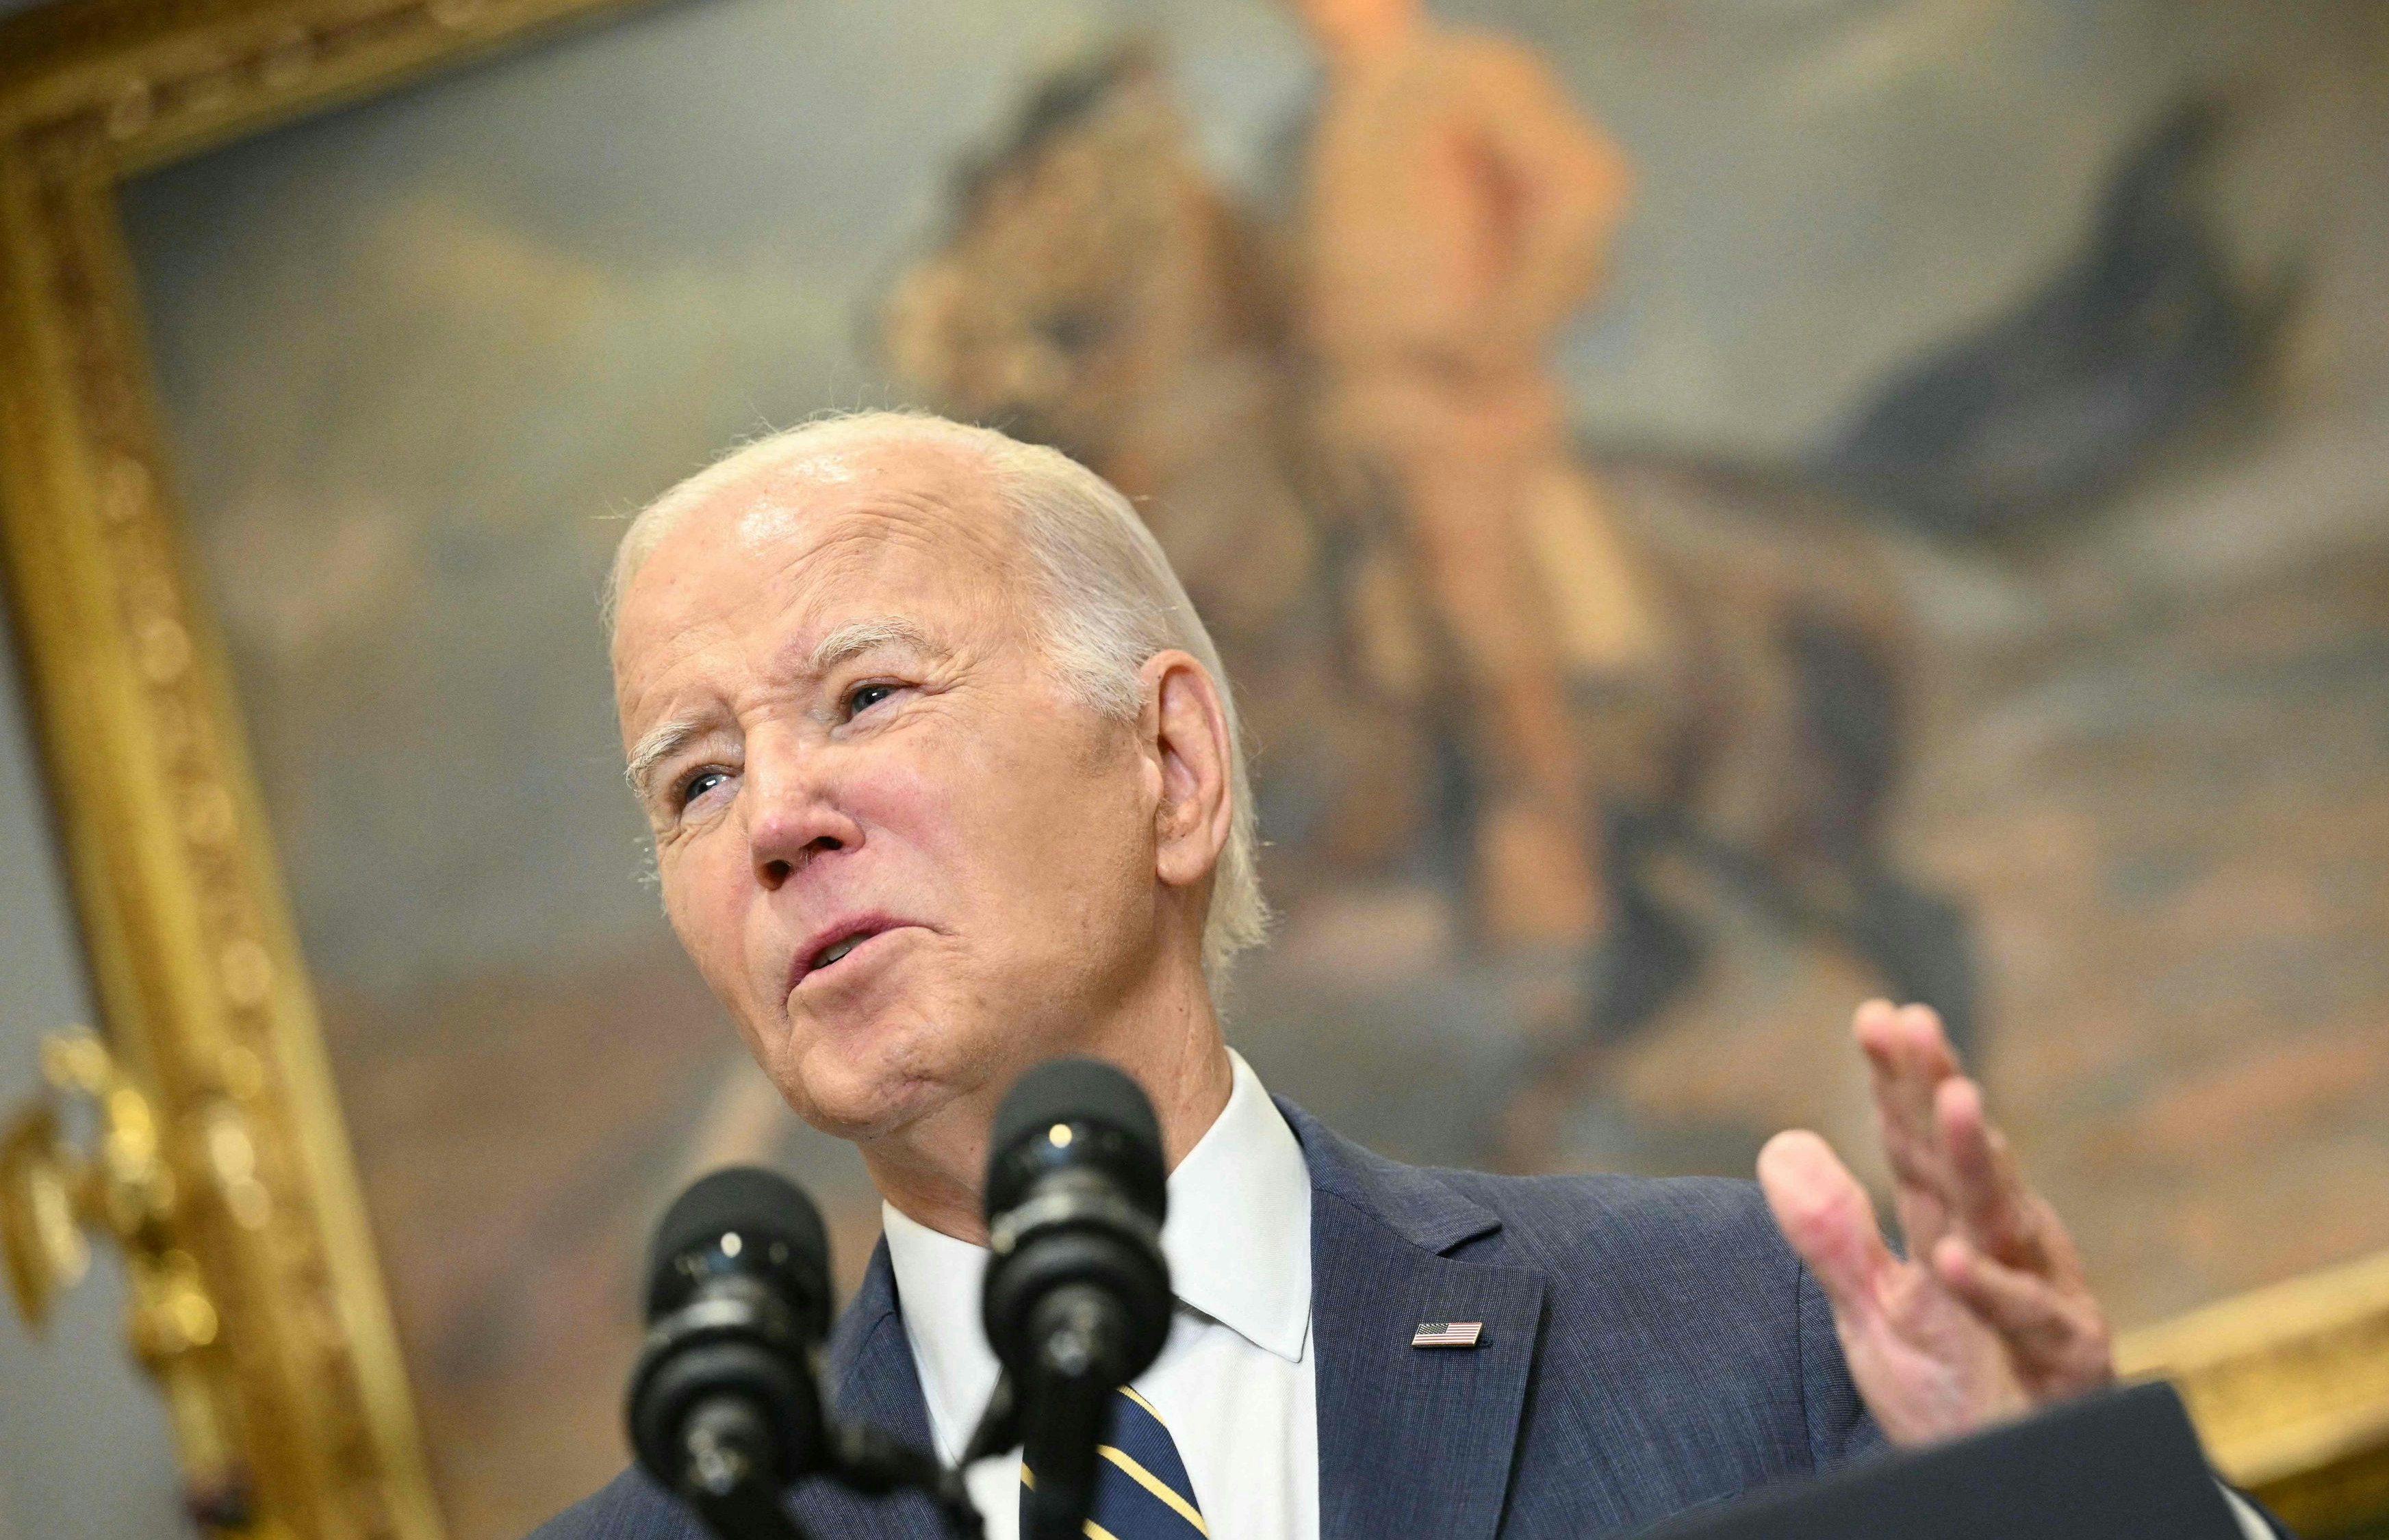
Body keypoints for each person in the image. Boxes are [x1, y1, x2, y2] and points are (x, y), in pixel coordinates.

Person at [535, 412, 2277, 1540]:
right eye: (693, 779)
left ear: (1171, 765)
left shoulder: (1736, 1331)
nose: (774, 818)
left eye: (864, 697)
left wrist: (2094, 1516)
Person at [1296, 0, 1644, 964]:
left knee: (1477, 603)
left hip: (1458, 411)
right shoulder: (1330, 113)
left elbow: (1583, 191)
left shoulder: (1468, 72)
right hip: (1351, 416)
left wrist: (1501, 323)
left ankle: (1551, 843)